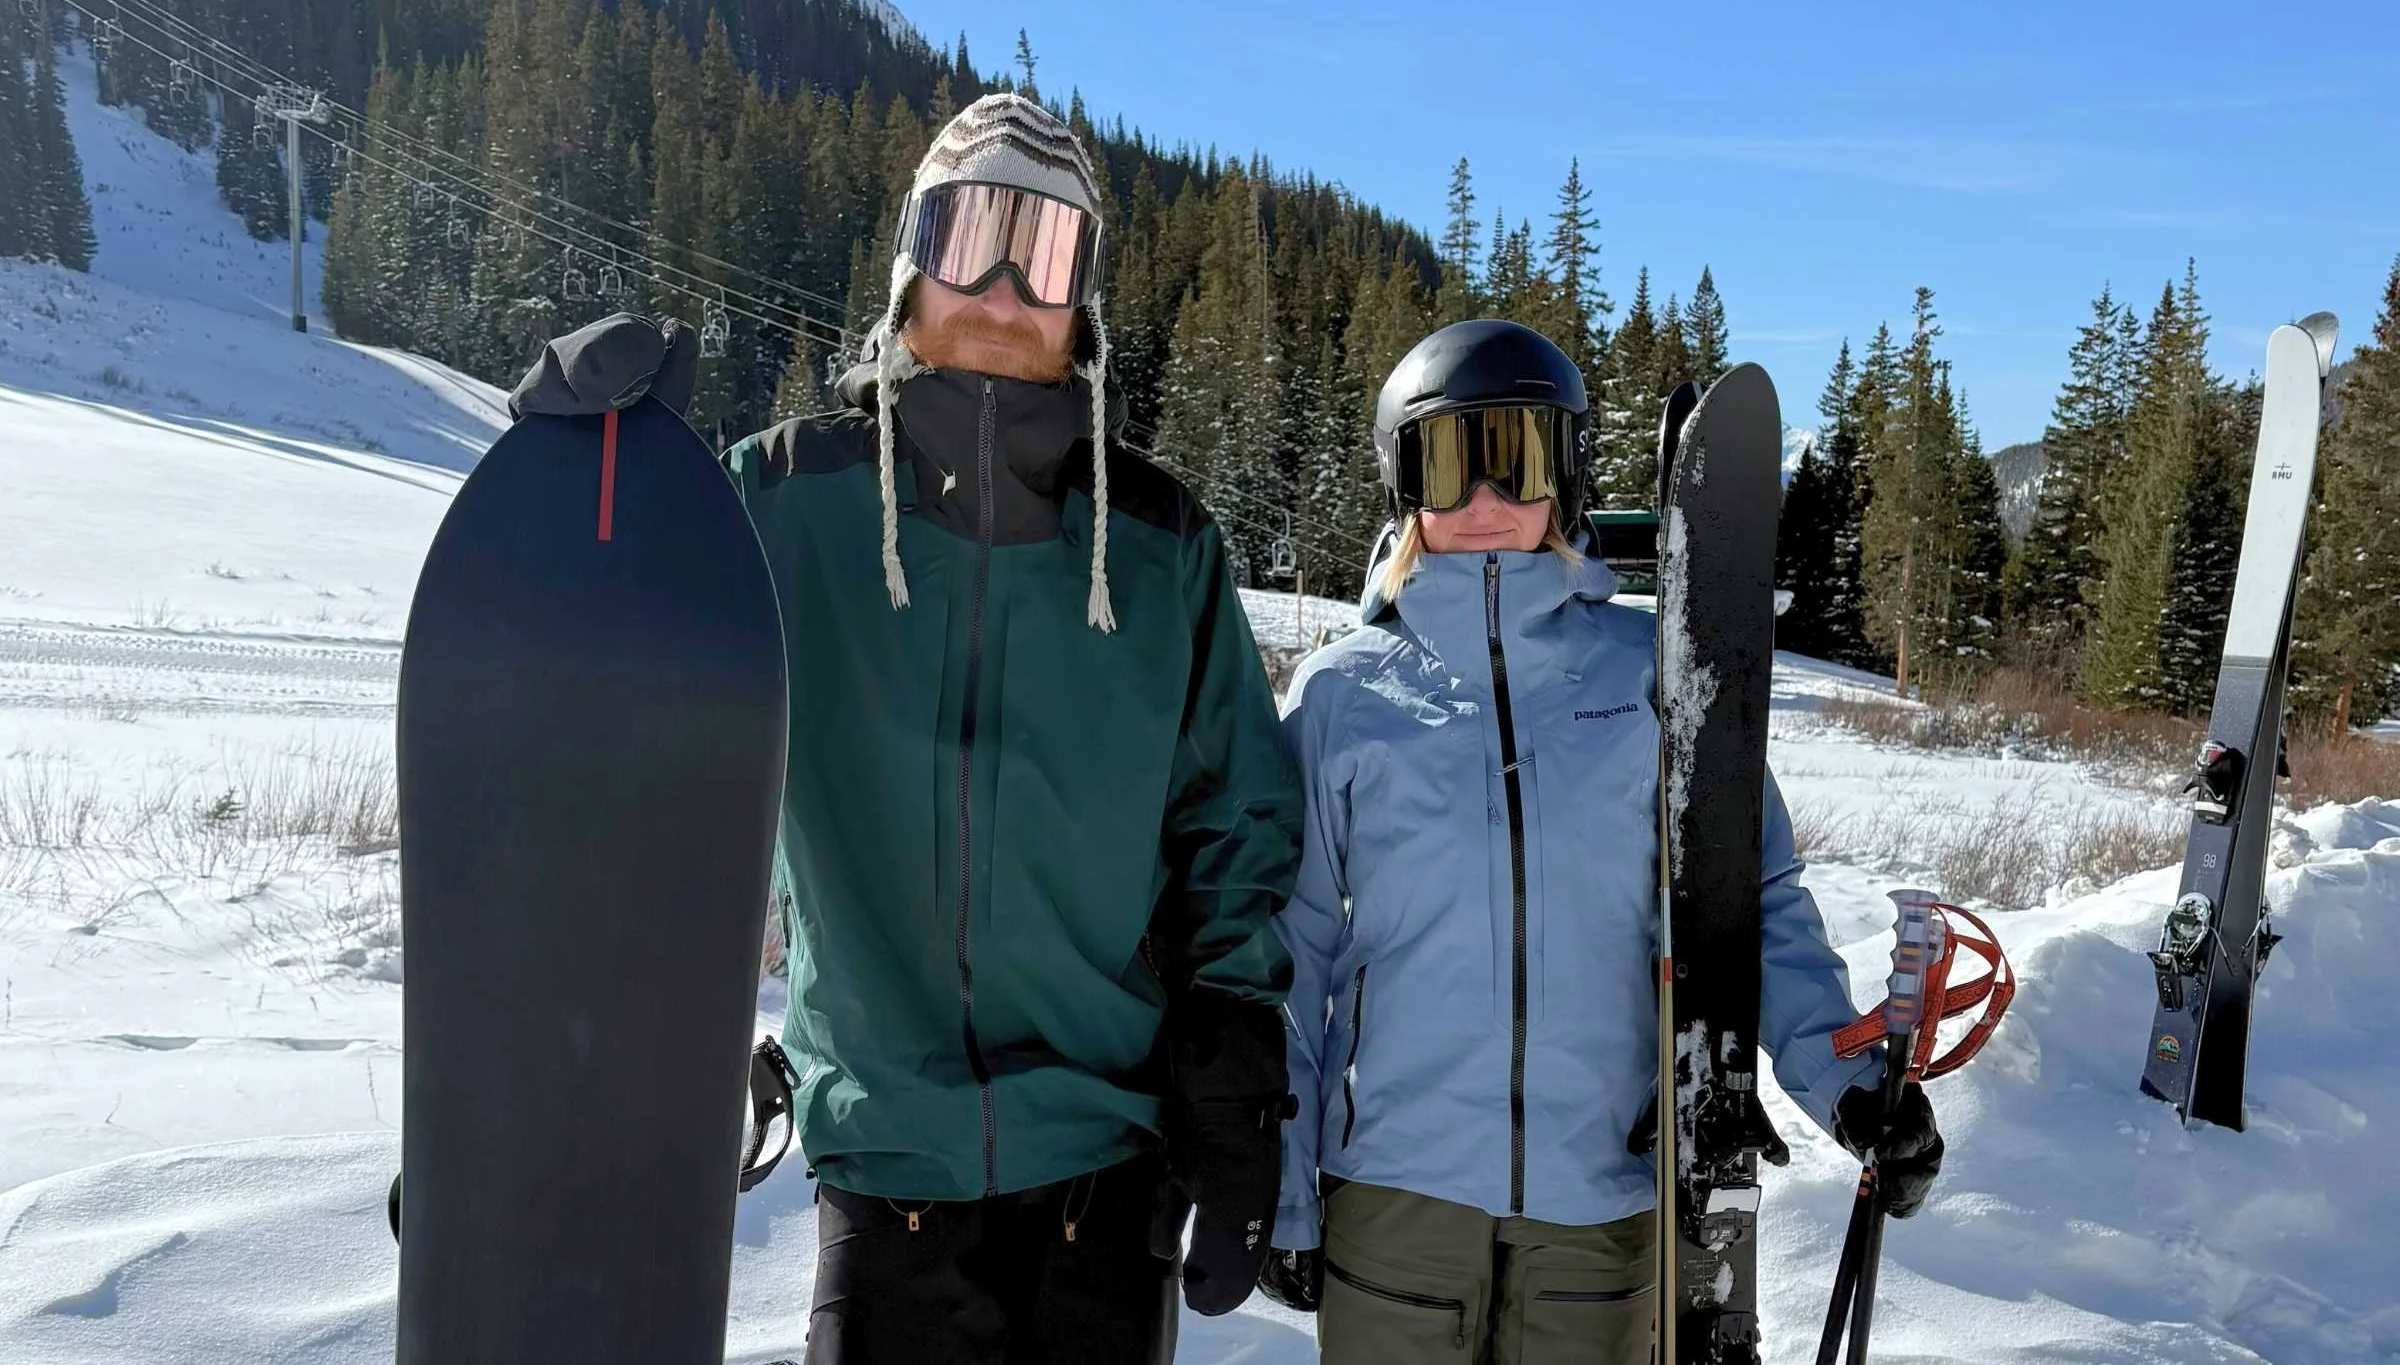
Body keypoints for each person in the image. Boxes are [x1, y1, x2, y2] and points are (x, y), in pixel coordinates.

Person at [508, 93, 1303, 1363]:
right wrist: (585, 476)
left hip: (1106, 1164)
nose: (1000, 288)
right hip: (886, 1159)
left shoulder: (1162, 546)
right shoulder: (782, 498)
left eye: (1043, 254)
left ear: (1082, 301)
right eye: (969, 232)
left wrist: (1234, 1067)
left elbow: (1236, 822)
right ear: (908, 264)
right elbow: (624, 678)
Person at [1252, 320, 1943, 1364]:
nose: (1485, 502)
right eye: (1449, 463)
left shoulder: (1653, 674)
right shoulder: (1344, 691)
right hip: (1397, 1198)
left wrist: (1844, 1083)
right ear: (1406, 484)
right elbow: (1289, 956)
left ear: (1566, 476)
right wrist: (1284, 1187)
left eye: (1517, 461)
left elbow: (1750, 903)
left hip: (1601, 1208)